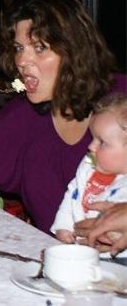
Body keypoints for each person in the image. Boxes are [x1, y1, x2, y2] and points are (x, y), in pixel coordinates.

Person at [0, 0, 126, 232]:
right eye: (19, 48)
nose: (22, 60)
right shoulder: (25, 114)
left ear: (74, 50)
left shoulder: (121, 97)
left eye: (39, 47)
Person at [52, 93, 127, 255]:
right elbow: (72, 195)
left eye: (102, 142)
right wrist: (63, 226)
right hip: (80, 248)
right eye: (93, 138)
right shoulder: (88, 166)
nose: (91, 147)